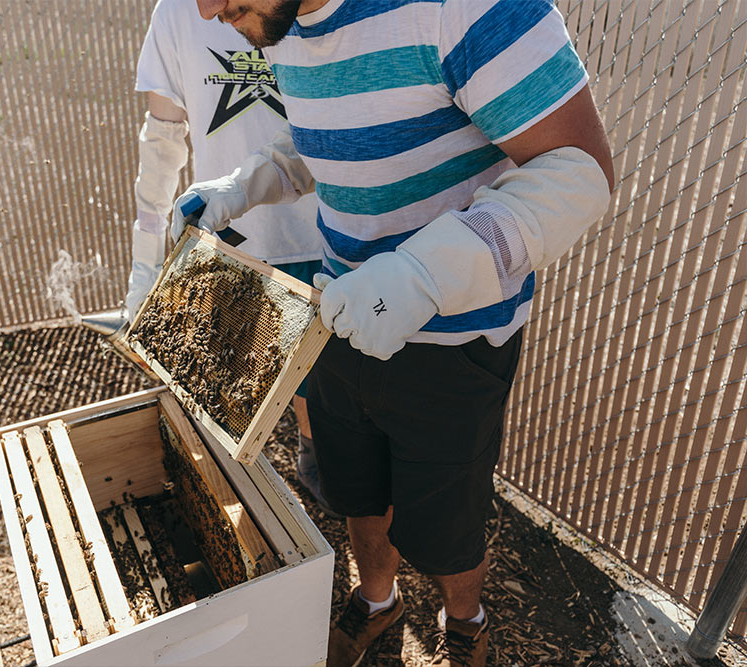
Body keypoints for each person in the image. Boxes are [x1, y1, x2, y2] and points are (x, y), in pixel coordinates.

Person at [171, 0, 616, 665]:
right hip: (340, 317)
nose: (206, 9)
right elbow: (324, 138)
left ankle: (464, 620)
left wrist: (423, 276)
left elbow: (581, 173)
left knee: (447, 526)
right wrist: (244, 185)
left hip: (456, 348)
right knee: (355, 488)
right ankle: (378, 600)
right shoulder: (281, 21)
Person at [123, 0, 338, 515]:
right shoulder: (179, 14)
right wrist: (145, 263)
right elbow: (162, 142)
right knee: (227, 395)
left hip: (329, 240)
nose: (210, 10)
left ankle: (322, 467)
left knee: (328, 405)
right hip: (228, 242)